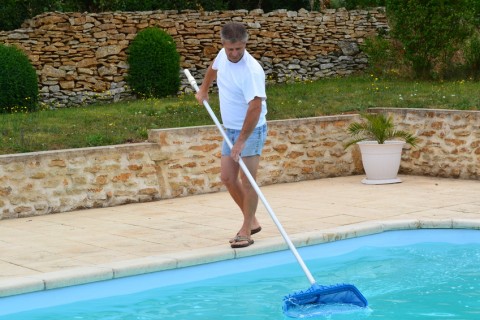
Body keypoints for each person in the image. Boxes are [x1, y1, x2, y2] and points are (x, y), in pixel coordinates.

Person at [195, 22, 268, 249]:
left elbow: (255, 108)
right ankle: (252, 220)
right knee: (227, 177)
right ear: (223, 45)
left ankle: (245, 230)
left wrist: (241, 141)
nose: (234, 53)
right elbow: (214, 69)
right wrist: (204, 89)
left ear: (245, 44)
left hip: (251, 129)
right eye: (230, 49)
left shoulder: (251, 71)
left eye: (239, 48)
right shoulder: (222, 55)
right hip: (231, 128)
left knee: (248, 181)